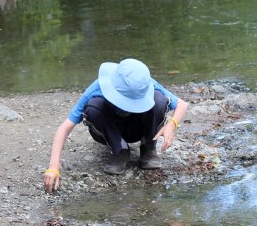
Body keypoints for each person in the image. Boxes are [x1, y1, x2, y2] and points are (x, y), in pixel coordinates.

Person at [43, 58, 189, 194]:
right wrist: (53, 167)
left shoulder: (143, 83)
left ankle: (148, 148)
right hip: (110, 130)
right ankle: (120, 150)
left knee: (159, 100)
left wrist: (171, 125)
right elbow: (64, 128)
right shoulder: (98, 87)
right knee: (93, 107)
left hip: (138, 128)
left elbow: (182, 105)